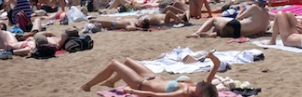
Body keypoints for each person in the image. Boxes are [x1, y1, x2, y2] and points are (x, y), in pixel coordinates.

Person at [80, 54, 220, 97]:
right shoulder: (197, 87)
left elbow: (156, 96)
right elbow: (217, 66)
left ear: (199, 94)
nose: (201, 82)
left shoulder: (183, 93)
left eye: (203, 85)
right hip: (153, 77)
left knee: (113, 64)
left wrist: (133, 91)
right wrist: (213, 59)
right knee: (127, 61)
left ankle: (87, 86)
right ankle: (111, 82)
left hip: (141, 84)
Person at [187, 0, 270, 38]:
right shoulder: (267, 16)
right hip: (241, 34)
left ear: (256, 2)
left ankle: (197, 33)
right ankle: (214, 34)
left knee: (214, 20)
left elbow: (238, 18)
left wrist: (241, 9)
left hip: (236, 26)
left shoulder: (254, 7)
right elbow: (261, 32)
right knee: (222, 27)